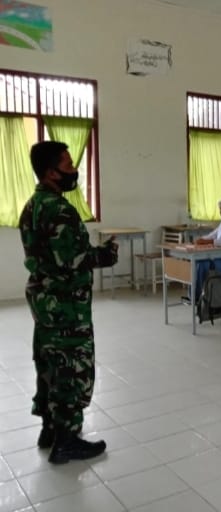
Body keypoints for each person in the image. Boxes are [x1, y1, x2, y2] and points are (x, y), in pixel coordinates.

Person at [19, 141, 118, 464]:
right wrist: (105, 255)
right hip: (65, 305)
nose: (74, 170)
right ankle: (67, 439)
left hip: (44, 301)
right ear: (51, 173)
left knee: (49, 362)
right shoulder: (60, 210)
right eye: (68, 164)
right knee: (71, 367)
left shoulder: (33, 206)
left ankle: (49, 429)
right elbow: (71, 259)